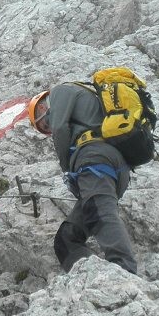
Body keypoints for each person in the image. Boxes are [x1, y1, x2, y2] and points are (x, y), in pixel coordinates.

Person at [29, 83, 138, 274]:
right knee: (65, 239)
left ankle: (124, 270)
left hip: (94, 158)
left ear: (44, 102)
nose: (47, 124)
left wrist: (66, 170)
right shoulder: (86, 105)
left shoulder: (61, 91)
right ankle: (92, 278)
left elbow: (60, 128)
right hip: (113, 169)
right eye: (44, 128)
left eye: (42, 115)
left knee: (100, 213)